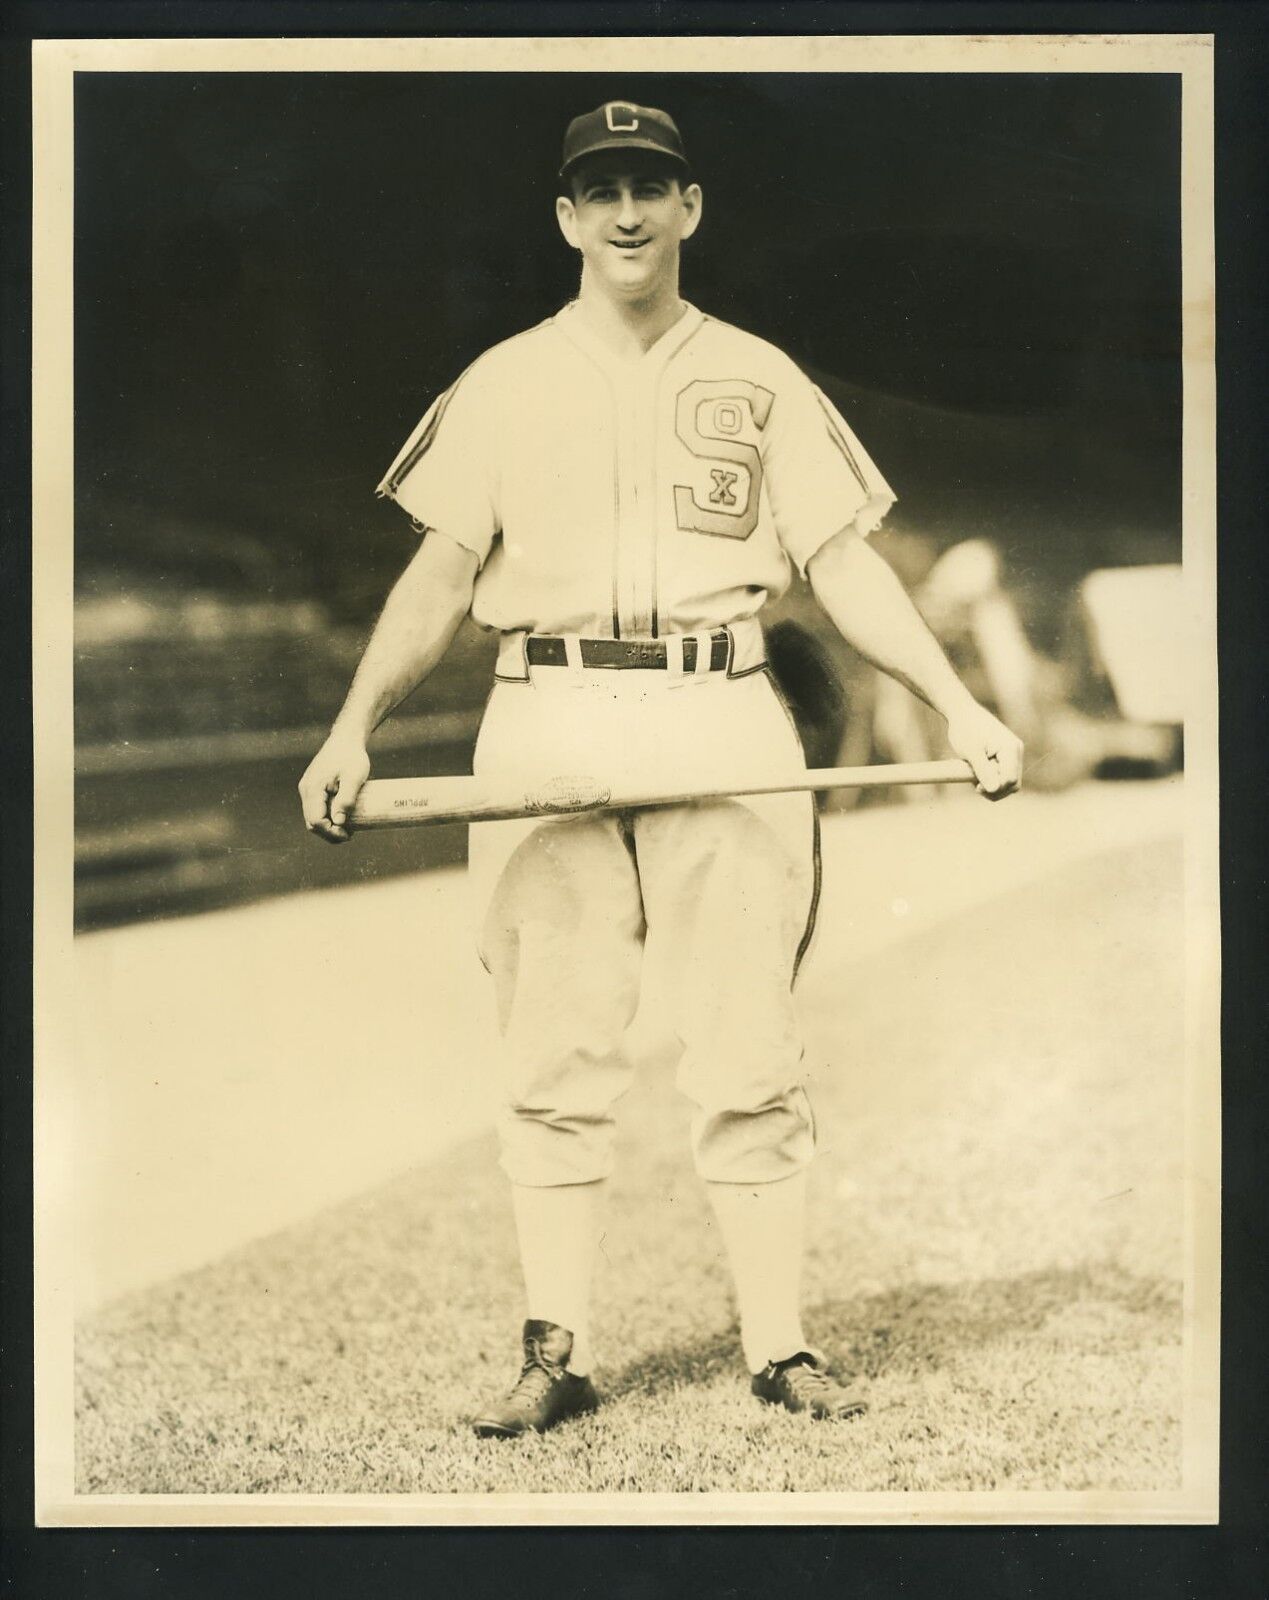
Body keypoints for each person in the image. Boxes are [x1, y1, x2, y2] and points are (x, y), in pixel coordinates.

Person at [298, 101, 1022, 1438]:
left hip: (722, 706)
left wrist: (959, 704)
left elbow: (843, 564)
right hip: (546, 712)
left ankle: (779, 1347)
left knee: (747, 1048)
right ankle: (555, 1349)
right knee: (550, 1052)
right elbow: (441, 572)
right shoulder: (505, 379)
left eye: (651, 185)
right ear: (566, 217)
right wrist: (351, 726)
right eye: (600, 189)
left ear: (690, 207)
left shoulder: (759, 374)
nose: (626, 211)